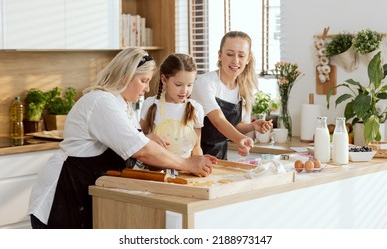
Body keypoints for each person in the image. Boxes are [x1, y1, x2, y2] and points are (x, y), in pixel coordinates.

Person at [28, 48, 216, 229]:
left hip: (84, 194)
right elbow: (141, 151)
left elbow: (136, 144)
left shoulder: (123, 106)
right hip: (62, 196)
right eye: (144, 81)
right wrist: (187, 164)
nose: (147, 88)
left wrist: (147, 139)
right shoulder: (101, 102)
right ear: (126, 76)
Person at [191, 31, 273, 160]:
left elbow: (235, 126)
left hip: (219, 158)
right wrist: (241, 139)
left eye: (241, 55)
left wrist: (253, 126)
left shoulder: (243, 88)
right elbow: (218, 121)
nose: (235, 61)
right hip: (194, 155)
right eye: (229, 54)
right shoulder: (205, 83)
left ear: (248, 59)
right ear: (220, 55)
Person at [140, 53, 204, 158]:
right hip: (157, 170)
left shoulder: (196, 109)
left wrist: (199, 163)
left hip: (185, 171)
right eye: (179, 85)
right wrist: (148, 137)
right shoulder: (151, 105)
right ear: (164, 80)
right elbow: (138, 141)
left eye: (189, 85)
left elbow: (196, 147)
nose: (184, 90)